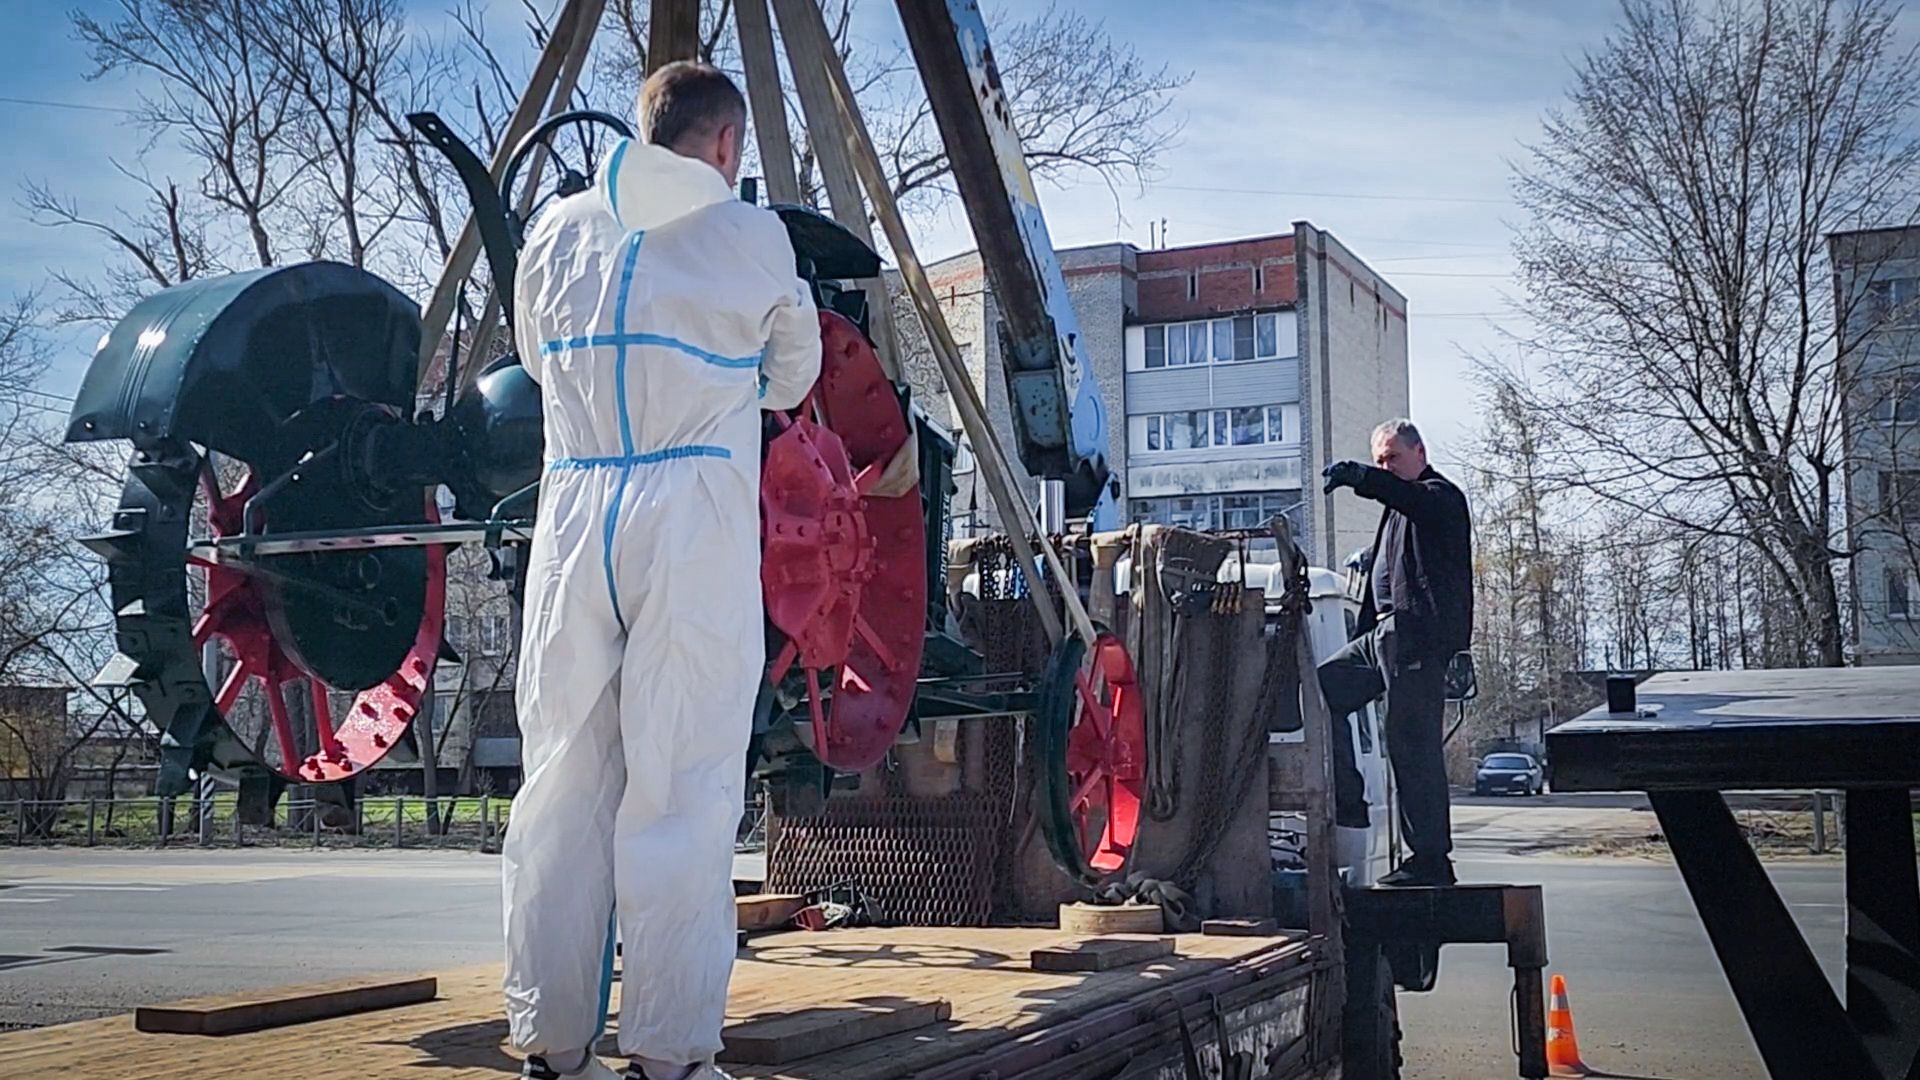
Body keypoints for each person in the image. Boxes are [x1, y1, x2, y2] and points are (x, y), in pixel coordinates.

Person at [502, 62, 822, 1080]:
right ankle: (672, 1056)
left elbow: (530, 352)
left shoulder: (553, 232)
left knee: (561, 779)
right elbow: (796, 373)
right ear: (727, 145)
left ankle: (551, 1045)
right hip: (690, 514)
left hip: (572, 510)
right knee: (679, 779)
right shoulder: (749, 234)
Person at [1319, 419, 1473, 887]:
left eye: (1392, 458)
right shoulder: (1399, 511)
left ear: (1419, 452)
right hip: (1381, 637)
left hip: (1419, 637)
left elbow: (1411, 500)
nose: (1386, 466)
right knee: (1320, 694)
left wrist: (1363, 477)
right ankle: (1349, 800)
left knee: (1411, 743)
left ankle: (1431, 860)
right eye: (1379, 459)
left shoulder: (1439, 496)